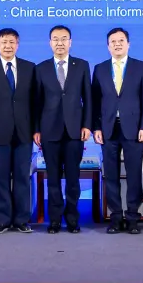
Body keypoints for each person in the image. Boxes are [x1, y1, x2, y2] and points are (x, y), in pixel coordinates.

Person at [0, 28, 37, 234]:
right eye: (4, 42)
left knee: (22, 178)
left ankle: (21, 220)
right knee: (0, 178)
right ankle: (2, 220)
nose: (8, 46)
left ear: (17, 45)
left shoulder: (30, 68)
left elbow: (36, 102)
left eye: (12, 42)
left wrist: (36, 129)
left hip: (24, 132)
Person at [92, 27, 143, 235]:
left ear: (128, 44)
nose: (117, 44)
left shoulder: (140, 66)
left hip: (134, 129)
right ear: (108, 46)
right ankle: (116, 217)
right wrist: (96, 127)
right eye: (113, 42)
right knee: (111, 175)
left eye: (121, 41)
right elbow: (95, 101)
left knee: (134, 174)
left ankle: (133, 217)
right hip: (108, 129)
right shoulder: (100, 69)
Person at [33, 25, 92, 234]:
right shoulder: (40, 68)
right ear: (50, 43)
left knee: (73, 178)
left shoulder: (82, 65)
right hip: (49, 131)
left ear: (70, 42)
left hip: (75, 130)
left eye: (64, 38)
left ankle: (73, 219)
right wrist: (36, 129)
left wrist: (87, 125)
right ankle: (55, 220)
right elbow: (36, 102)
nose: (60, 43)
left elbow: (88, 98)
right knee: (53, 178)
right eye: (56, 39)